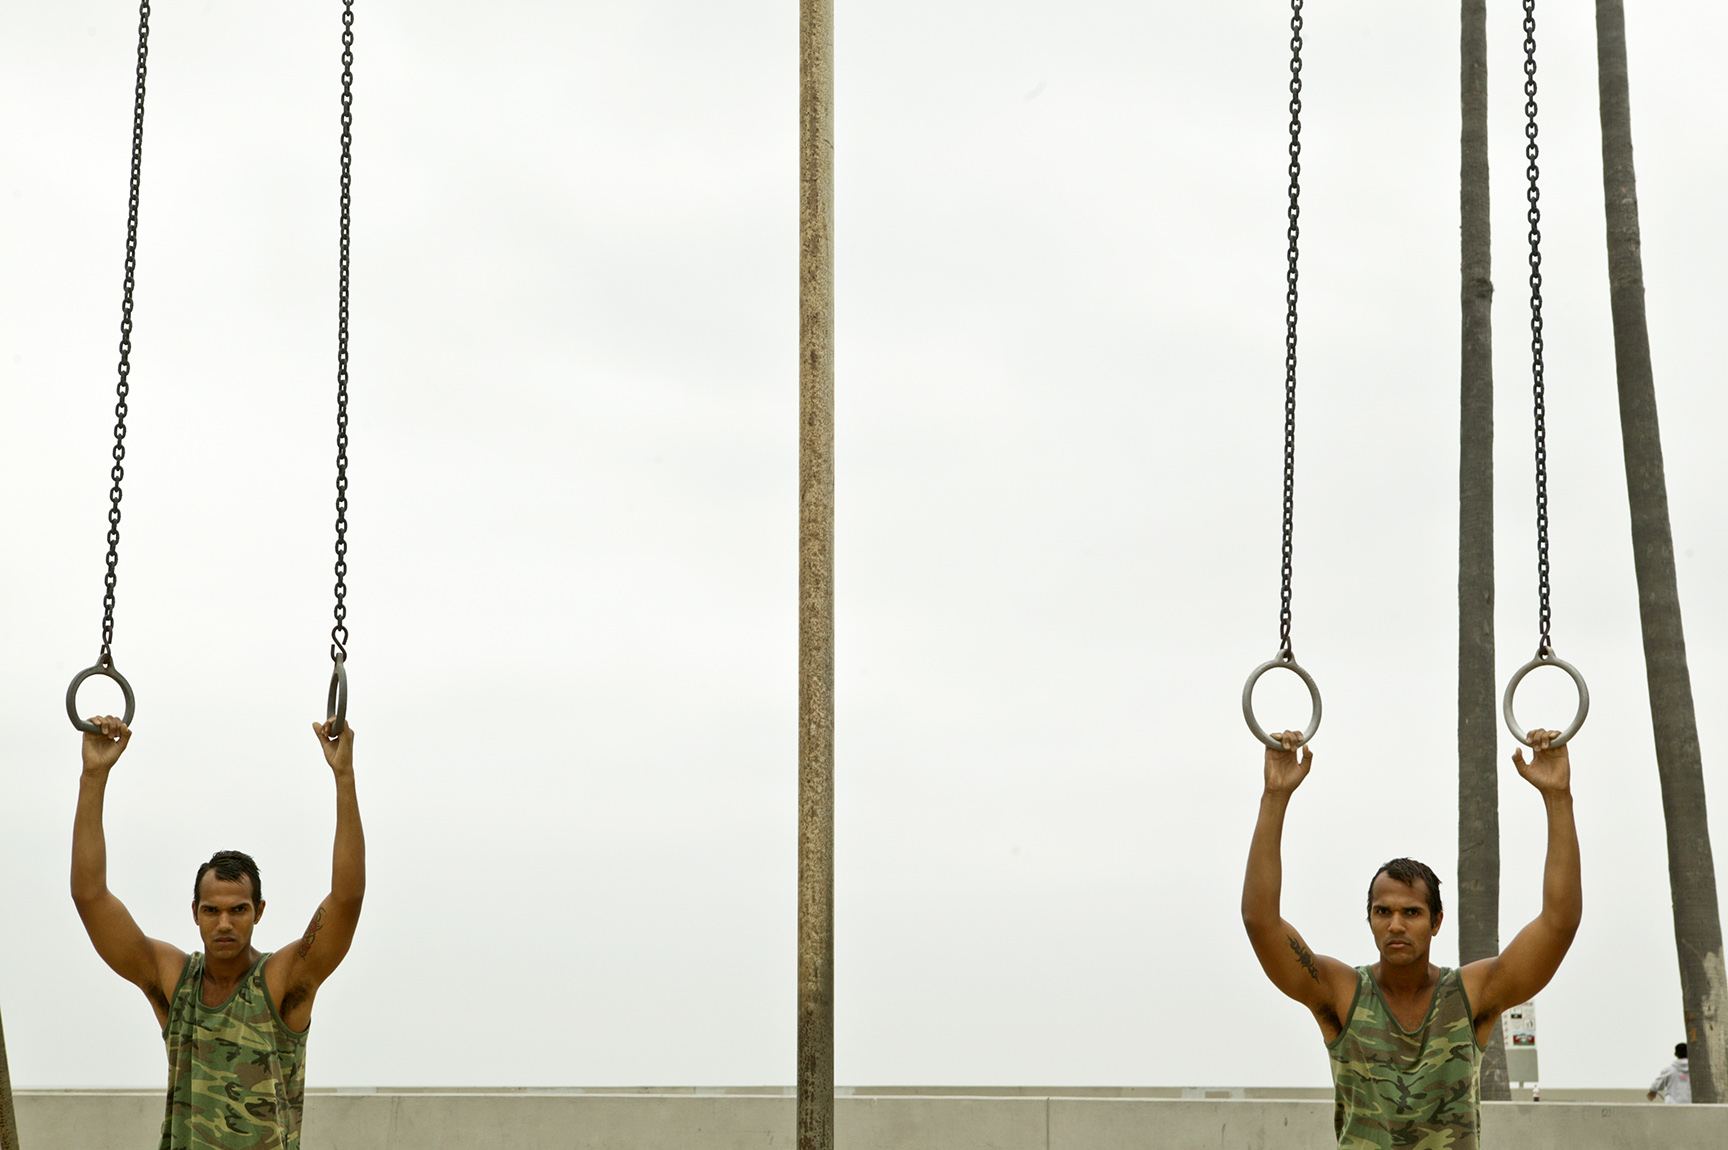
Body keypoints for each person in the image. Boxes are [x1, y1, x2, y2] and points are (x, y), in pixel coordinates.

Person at [1242, 728, 1582, 1150]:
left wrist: (1558, 796)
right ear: (1369, 919)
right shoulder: (1343, 993)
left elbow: (1560, 922)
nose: (1396, 925)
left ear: (1436, 921)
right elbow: (1260, 920)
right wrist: (1275, 794)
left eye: (1412, 913)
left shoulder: (1471, 994)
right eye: (1383, 912)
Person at [71, 714, 365, 1150]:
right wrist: (93, 776)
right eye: (212, 910)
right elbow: (90, 897)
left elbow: (346, 898)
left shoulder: (281, 981)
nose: (224, 923)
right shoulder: (175, 981)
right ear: (195, 912)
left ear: (258, 911)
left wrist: (344, 776)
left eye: (238, 910)